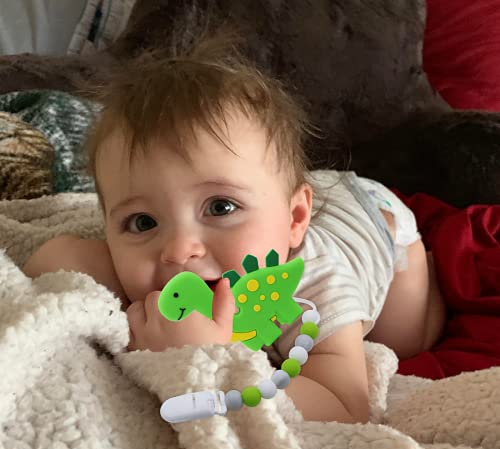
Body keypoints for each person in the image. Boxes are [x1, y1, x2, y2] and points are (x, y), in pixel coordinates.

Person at [22, 34, 446, 423]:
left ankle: (425, 268)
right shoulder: (156, 271)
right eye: (143, 222)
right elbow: (56, 259)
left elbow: (346, 407)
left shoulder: (318, 291)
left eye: (221, 207)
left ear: (295, 220)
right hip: (284, 192)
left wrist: (213, 360)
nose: (179, 249)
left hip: (374, 221)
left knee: (406, 339)